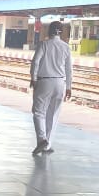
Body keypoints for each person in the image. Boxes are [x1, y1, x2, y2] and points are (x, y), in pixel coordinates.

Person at [29, 21, 72, 155]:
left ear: (49, 31)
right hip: (60, 83)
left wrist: (34, 78)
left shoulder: (44, 45)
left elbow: (36, 62)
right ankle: (47, 145)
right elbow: (69, 69)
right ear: (61, 32)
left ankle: (42, 139)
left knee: (38, 113)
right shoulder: (66, 47)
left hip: (44, 82)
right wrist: (69, 87)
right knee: (52, 115)